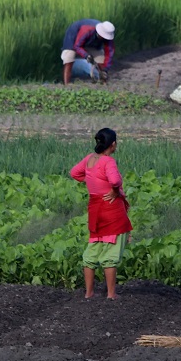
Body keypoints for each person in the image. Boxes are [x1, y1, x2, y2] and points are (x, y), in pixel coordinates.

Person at [70, 127, 132, 300]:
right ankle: (111, 294)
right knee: (111, 253)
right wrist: (114, 190)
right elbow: (115, 180)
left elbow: (74, 173)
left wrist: (92, 181)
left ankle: (89, 292)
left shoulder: (89, 158)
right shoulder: (108, 161)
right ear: (112, 144)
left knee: (92, 250)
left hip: (95, 210)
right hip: (111, 210)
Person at [61, 19, 115, 85]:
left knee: (101, 59)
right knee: (69, 58)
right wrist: (86, 55)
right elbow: (77, 46)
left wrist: (106, 68)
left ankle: (103, 81)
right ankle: (66, 84)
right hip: (73, 39)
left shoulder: (108, 37)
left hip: (93, 43)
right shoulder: (87, 29)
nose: (105, 38)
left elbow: (109, 52)